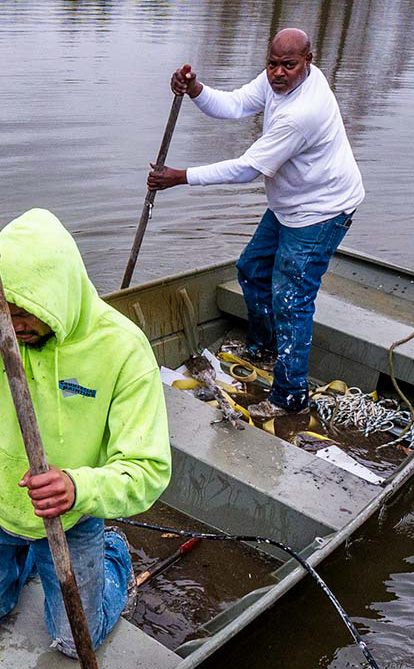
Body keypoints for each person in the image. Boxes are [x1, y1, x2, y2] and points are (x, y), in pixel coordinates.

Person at [0, 205, 170, 658]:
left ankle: (113, 555)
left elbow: (148, 470)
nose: (12, 327)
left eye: (25, 314)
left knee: (76, 641)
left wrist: (77, 488)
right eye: (6, 312)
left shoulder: (124, 349)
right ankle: (25, 557)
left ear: (56, 298)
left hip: (70, 514)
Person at [148, 27, 364, 413]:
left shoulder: (302, 113)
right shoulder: (276, 84)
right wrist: (196, 89)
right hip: (291, 203)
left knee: (292, 299)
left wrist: (181, 177)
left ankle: (290, 397)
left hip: (322, 211)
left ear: (308, 63)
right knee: (251, 269)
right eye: (272, 64)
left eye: (289, 65)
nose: (278, 73)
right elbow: (232, 105)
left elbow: (248, 168)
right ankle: (264, 348)